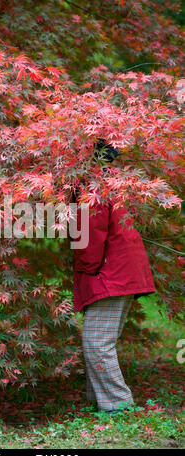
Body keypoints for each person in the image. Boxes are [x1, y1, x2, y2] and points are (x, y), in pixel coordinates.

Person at [73, 139, 155, 412]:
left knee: (97, 342)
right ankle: (99, 400)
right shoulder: (113, 181)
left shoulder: (92, 186)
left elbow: (89, 236)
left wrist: (88, 269)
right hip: (122, 271)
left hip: (110, 273)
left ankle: (118, 405)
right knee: (98, 339)